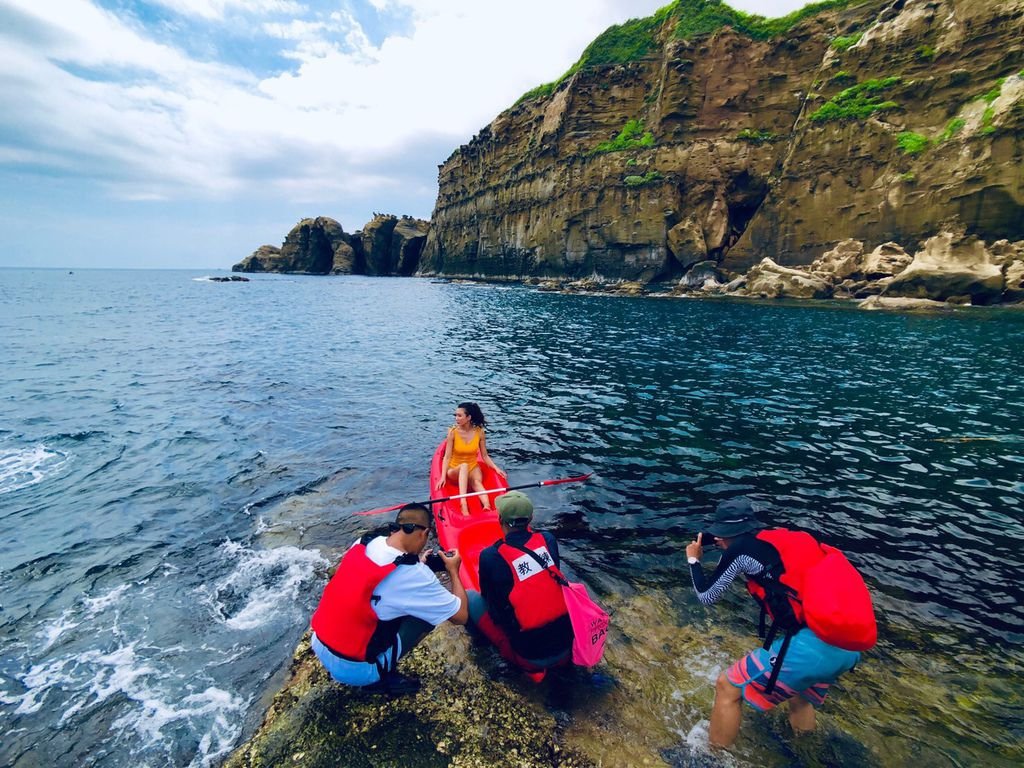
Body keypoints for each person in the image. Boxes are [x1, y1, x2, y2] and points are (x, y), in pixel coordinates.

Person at [686, 498, 861, 748]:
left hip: (813, 647)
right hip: (844, 641)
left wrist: (694, 560)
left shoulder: (740, 551)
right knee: (799, 695)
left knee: (727, 686)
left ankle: (710, 758)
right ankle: (805, 749)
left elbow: (707, 595)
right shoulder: (780, 540)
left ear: (728, 534)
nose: (719, 540)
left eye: (721, 535)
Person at [310, 503, 468, 694]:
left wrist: (419, 563)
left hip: (319, 643)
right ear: (424, 533)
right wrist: (453, 571)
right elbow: (460, 616)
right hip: (356, 671)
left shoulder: (365, 541)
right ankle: (381, 677)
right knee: (424, 617)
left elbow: (379, 579)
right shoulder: (413, 574)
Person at [467, 491, 573, 679]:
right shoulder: (548, 539)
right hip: (567, 647)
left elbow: (488, 598)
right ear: (530, 519)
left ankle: (483, 649)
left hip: (528, 657)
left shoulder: (490, 556)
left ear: (499, 519)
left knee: (469, 597)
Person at [435, 402, 506, 515]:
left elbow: (484, 456)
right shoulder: (453, 432)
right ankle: (463, 503)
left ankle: (487, 506)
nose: (456, 419)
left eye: (459, 415)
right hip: (455, 469)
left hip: (473, 467)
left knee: (477, 481)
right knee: (464, 466)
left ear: (468, 417)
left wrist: (496, 469)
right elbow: (447, 456)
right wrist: (442, 476)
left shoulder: (479, 432)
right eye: (455, 415)